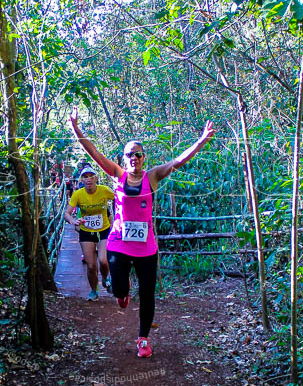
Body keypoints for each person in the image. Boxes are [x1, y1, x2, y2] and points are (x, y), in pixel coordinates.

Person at [69, 108, 215, 358]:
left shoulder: (153, 176)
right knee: (119, 290)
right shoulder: (117, 175)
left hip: (146, 247)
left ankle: (143, 339)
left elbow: (178, 161)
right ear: (124, 158)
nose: (133, 157)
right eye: (129, 154)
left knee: (147, 293)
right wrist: (75, 128)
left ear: (144, 157)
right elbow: (94, 153)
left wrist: (201, 141)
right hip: (118, 243)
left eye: (138, 154)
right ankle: (122, 295)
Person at [65, 167, 115, 301]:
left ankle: (105, 278)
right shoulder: (78, 194)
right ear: (82, 180)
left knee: (103, 260)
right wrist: (74, 221)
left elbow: (119, 198)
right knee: (91, 265)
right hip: (86, 232)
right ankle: (94, 291)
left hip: (104, 229)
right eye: (85, 177)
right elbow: (67, 213)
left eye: (91, 176)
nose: (89, 179)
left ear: (96, 178)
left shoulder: (104, 190)